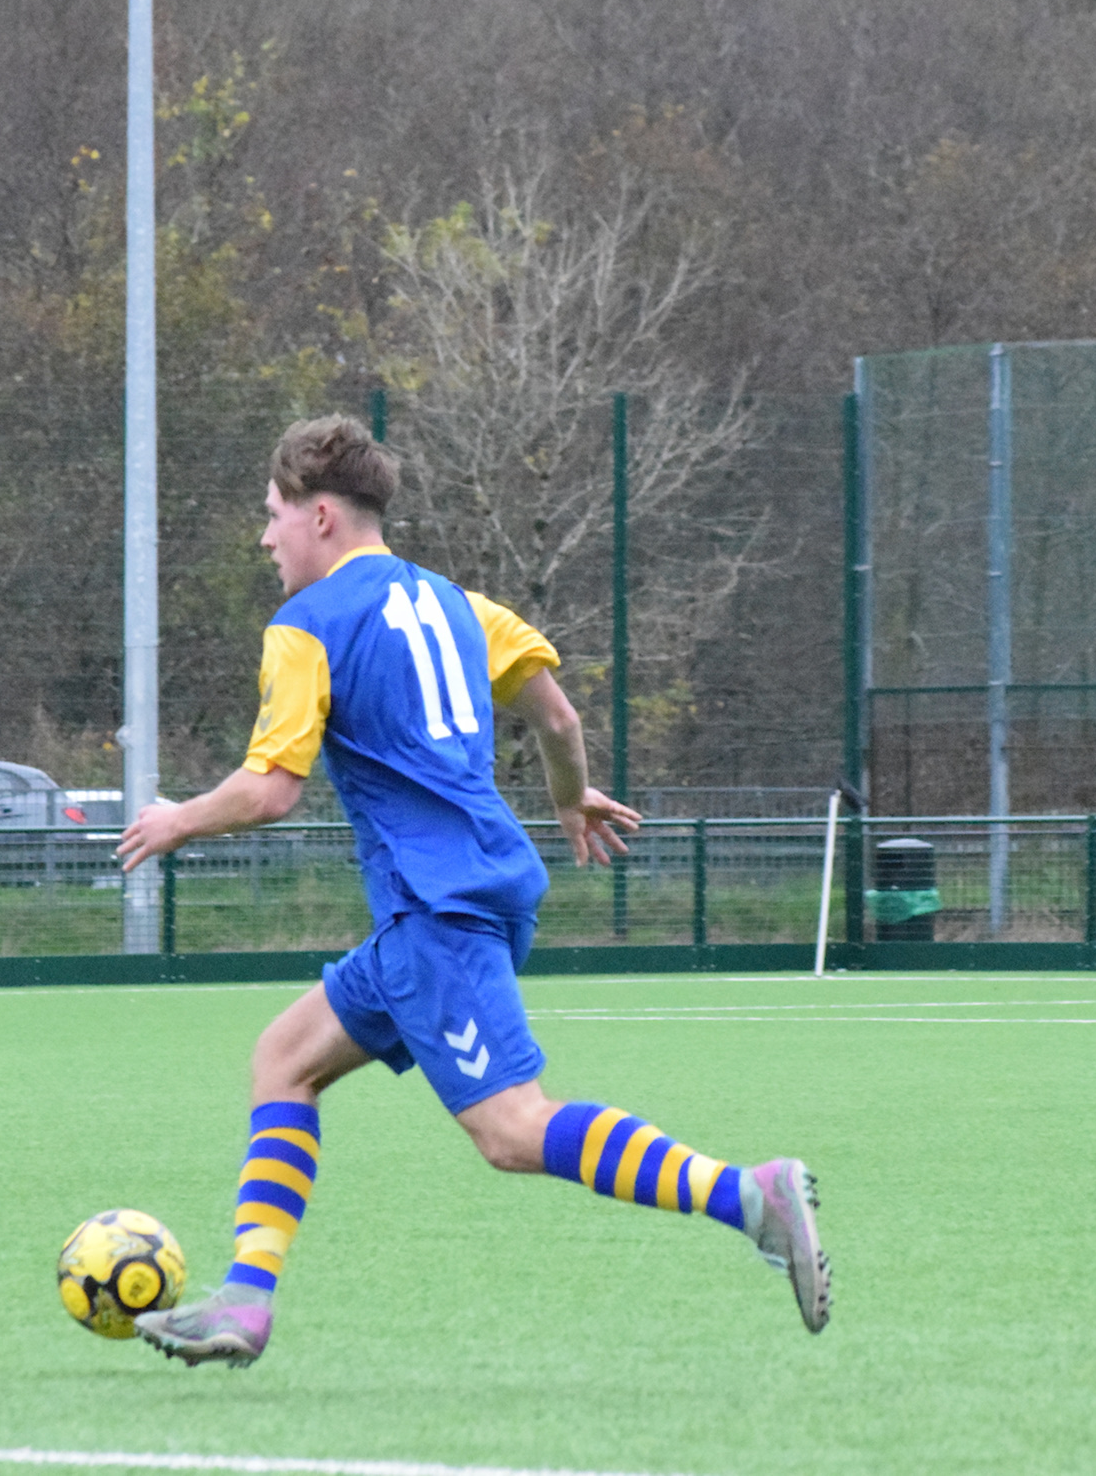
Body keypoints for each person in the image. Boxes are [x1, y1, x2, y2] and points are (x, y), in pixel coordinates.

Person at [116, 416, 829, 1367]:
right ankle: (245, 1301)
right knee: (284, 1057)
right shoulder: (458, 604)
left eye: (272, 515)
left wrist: (177, 818)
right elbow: (558, 715)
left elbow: (274, 789)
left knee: (510, 1128)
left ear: (321, 515)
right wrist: (571, 801)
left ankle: (749, 1194)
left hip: (434, 904)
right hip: (475, 890)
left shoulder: (304, 627)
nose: (265, 537)